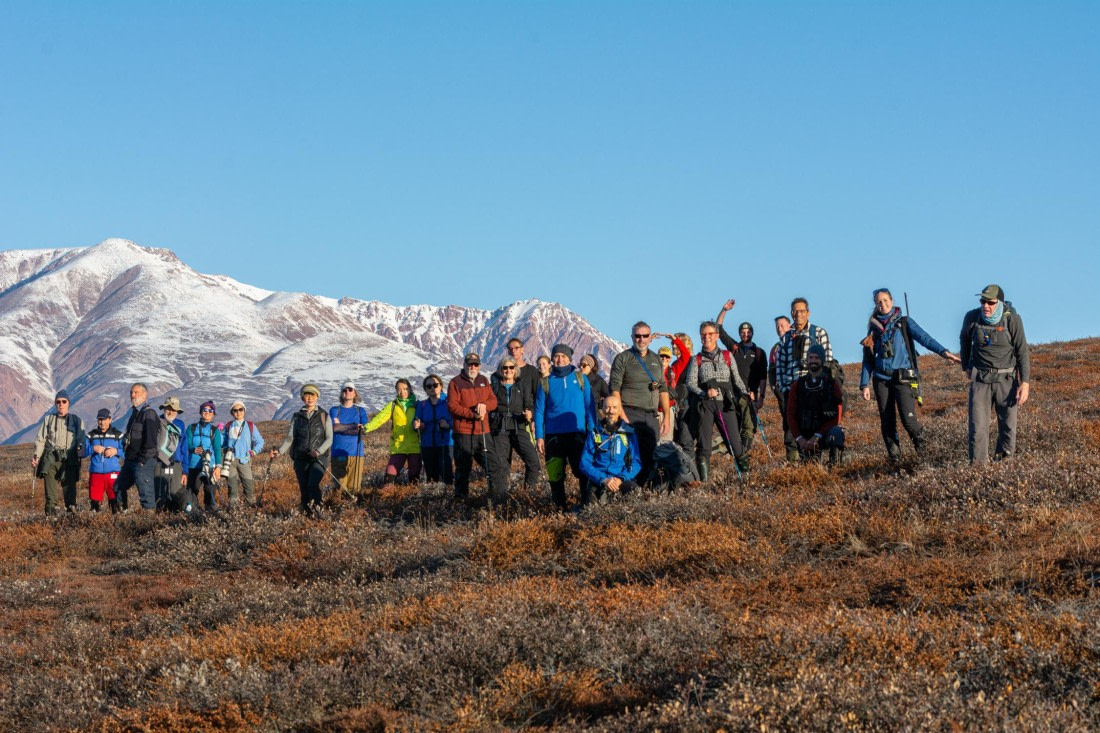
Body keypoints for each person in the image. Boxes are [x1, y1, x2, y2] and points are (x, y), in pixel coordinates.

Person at [859, 288, 961, 462]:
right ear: (875, 304)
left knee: (909, 420)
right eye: (879, 302)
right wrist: (864, 384)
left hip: (903, 377)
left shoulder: (904, 322)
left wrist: (944, 352)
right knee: (887, 422)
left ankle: (927, 455)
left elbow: (925, 338)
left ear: (892, 300)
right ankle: (895, 460)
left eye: (885, 300)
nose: (883, 304)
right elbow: (868, 359)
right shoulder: (873, 328)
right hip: (881, 380)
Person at [959, 284, 1030, 464]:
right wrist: (966, 365)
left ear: (999, 302)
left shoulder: (1012, 320)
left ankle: (1003, 466)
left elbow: (1022, 351)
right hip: (980, 380)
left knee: (1008, 427)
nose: (986, 306)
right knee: (978, 428)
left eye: (990, 302)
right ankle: (978, 470)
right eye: (983, 301)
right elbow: (964, 339)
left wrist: (1025, 382)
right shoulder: (972, 317)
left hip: (1006, 380)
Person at [681, 321, 749, 480]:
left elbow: (737, 379)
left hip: (726, 403)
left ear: (717, 336)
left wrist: (745, 393)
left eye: (710, 334)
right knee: (704, 445)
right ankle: (704, 484)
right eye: (704, 334)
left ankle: (746, 479)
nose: (707, 337)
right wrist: (704, 393)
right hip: (705, 405)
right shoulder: (696, 359)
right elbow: (690, 383)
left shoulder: (727, 355)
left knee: (735, 444)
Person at [535, 344, 597, 509]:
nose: (560, 359)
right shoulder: (546, 382)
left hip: (578, 435)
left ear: (570, 358)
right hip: (553, 437)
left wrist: (593, 431)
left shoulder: (580, 378)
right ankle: (560, 509)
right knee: (555, 474)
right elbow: (539, 410)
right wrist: (539, 436)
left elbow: (590, 406)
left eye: (563, 356)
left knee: (583, 472)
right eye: (556, 356)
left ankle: (586, 505)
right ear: (552, 360)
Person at [609, 321, 671, 487]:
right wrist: (621, 415)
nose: (641, 339)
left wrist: (666, 416)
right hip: (630, 412)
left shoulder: (656, 360)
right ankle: (626, 490)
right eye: (638, 336)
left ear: (651, 338)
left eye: (645, 336)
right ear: (632, 337)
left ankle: (642, 492)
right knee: (628, 456)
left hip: (651, 415)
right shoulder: (623, 358)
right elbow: (614, 388)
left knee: (650, 455)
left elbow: (663, 388)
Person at [775, 299, 832, 462]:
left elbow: (827, 359)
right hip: (793, 389)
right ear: (791, 313)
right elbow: (781, 364)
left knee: (814, 425)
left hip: (815, 388)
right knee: (792, 427)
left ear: (808, 312)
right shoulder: (786, 338)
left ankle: (815, 463)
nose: (798, 314)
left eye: (801, 311)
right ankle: (797, 465)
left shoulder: (819, 333)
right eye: (795, 311)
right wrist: (784, 387)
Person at [716, 300, 768, 472]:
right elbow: (719, 329)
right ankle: (738, 456)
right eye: (742, 332)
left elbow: (762, 377)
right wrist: (724, 310)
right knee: (734, 428)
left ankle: (744, 456)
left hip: (750, 396)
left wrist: (760, 397)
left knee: (749, 427)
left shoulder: (759, 353)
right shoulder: (734, 348)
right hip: (733, 394)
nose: (745, 334)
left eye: (748, 331)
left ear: (752, 332)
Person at [447, 352, 504, 501]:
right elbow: (453, 406)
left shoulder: (484, 381)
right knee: (463, 468)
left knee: (493, 465)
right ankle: (461, 501)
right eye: (469, 364)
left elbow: (493, 401)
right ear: (464, 365)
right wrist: (473, 414)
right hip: (464, 433)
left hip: (483, 432)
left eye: (476, 364)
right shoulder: (455, 382)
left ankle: (497, 498)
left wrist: (484, 406)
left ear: (479, 366)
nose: (472, 367)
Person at [270, 383, 333, 514]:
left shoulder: (324, 416)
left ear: (317, 397)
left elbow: (329, 439)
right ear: (302, 398)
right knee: (304, 489)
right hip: (300, 458)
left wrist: (318, 451)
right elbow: (290, 438)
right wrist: (280, 451)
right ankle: (306, 515)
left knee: (312, 485)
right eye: (307, 395)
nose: (310, 398)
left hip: (319, 458)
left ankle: (318, 511)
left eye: (312, 395)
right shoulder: (297, 417)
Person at [786, 345, 845, 466]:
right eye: (810, 357)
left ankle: (836, 466)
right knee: (810, 468)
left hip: (825, 432)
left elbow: (837, 414)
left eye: (817, 358)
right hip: (805, 435)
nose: (813, 360)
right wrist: (799, 438)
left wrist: (817, 436)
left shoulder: (831, 384)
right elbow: (790, 414)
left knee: (837, 434)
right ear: (807, 361)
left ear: (822, 361)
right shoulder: (797, 386)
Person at [489, 356, 541, 490]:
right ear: (500, 370)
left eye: (511, 367)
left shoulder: (522, 385)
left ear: (515, 369)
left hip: (519, 426)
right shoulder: (493, 386)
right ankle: (500, 498)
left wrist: (530, 413)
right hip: (499, 428)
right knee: (501, 465)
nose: (508, 370)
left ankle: (529, 494)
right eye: (504, 367)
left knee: (533, 461)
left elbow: (529, 404)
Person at [31, 389, 86, 514]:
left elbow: (81, 439)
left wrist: (80, 450)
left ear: (68, 403)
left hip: (69, 460)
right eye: (58, 402)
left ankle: (71, 521)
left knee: (70, 493)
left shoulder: (77, 421)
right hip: (51, 460)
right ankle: (50, 520)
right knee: (50, 495)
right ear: (55, 404)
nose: (61, 404)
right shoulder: (48, 420)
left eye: (64, 401)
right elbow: (40, 440)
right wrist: (36, 456)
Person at [580, 395, 641, 505]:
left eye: (614, 407)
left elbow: (636, 463)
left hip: (621, 479)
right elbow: (584, 463)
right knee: (591, 510)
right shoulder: (595, 433)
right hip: (599, 480)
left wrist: (621, 479)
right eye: (607, 407)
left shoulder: (629, 433)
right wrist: (603, 479)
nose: (611, 411)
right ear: (602, 409)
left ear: (619, 410)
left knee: (635, 492)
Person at [113, 383, 161, 511]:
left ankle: (148, 526)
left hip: (143, 461)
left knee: (145, 493)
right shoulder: (134, 414)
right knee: (118, 487)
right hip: (130, 460)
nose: (132, 395)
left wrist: (143, 461)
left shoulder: (149, 413)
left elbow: (151, 441)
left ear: (145, 395)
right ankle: (123, 517)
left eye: (136, 392)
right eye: (131, 393)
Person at [365, 379, 422, 483]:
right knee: (389, 477)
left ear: (410, 389)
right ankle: (387, 495)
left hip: (415, 447)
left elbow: (426, 422)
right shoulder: (393, 405)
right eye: (399, 389)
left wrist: (420, 425)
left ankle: (411, 497)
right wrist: (366, 428)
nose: (402, 392)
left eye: (405, 389)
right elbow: (379, 419)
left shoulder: (418, 405)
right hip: (398, 446)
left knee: (414, 479)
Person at [222, 400, 265, 509]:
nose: (238, 412)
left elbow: (260, 442)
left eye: (240, 409)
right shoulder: (228, 426)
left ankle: (249, 509)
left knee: (249, 487)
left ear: (244, 411)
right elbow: (222, 443)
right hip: (230, 461)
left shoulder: (250, 425)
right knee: (232, 488)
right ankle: (233, 511)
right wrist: (218, 433)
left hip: (244, 460)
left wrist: (253, 452)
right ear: (232, 412)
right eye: (235, 410)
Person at [329, 382, 368, 499]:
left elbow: (364, 429)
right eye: (344, 390)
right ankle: (337, 509)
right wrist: (355, 426)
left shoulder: (360, 411)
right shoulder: (335, 410)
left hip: (356, 454)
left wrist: (343, 427)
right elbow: (335, 428)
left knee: (354, 488)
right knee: (339, 486)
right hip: (338, 454)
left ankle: (351, 512)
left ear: (355, 392)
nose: (347, 392)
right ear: (341, 394)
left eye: (350, 389)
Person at [414, 374, 454, 484]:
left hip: (446, 444)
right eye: (429, 386)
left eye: (435, 385)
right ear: (425, 389)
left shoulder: (449, 402)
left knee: (446, 474)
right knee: (431, 476)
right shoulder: (422, 405)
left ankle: (448, 497)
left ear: (441, 386)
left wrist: (448, 425)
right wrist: (418, 425)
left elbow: (456, 420)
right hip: (427, 445)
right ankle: (434, 499)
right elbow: (416, 420)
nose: (432, 388)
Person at [185, 401, 223, 511]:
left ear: (213, 414)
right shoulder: (191, 428)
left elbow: (217, 449)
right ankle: (192, 511)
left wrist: (218, 467)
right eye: (204, 410)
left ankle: (208, 513)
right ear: (200, 412)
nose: (207, 412)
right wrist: (193, 449)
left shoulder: (215, 430)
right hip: (193, 465)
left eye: (210, 410)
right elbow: (187, 443)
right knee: (192, 490)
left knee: (209, 490)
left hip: (210, 465)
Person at [86, 408, 124, 513]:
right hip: (96, 473)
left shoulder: (118, 435)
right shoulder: (91, 436)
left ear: (110, 419)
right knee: (94, 504)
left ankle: (116, 524)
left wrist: (116, 451)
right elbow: (82, 453)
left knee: (115, 502)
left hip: (113, 473)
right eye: (100, 419)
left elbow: (128, 453)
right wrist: (92, 449)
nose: (102, 422)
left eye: (104, 419)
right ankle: (95, 525)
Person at [154, 397, 188, 512]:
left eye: (174, 410)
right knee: (159, 493)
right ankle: (158, 518)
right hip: (159, 463)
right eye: (168, 408)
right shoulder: (157, 422)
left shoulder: (181, 425)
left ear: (177, 411)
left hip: (176, 464)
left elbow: (184, 448)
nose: (171, 412)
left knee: (175, 492)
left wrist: (185, 471)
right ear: (164, 409)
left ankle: (174, 519)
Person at [506, 337, 540, 407]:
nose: (513, 351)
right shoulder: (504, 371)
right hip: (507, 413)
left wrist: (532, 413)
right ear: (508, 352)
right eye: (511, 349)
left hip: (526, 414)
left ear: (522, 349)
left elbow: (537, 395)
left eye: (516, 348)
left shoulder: (532, 371)